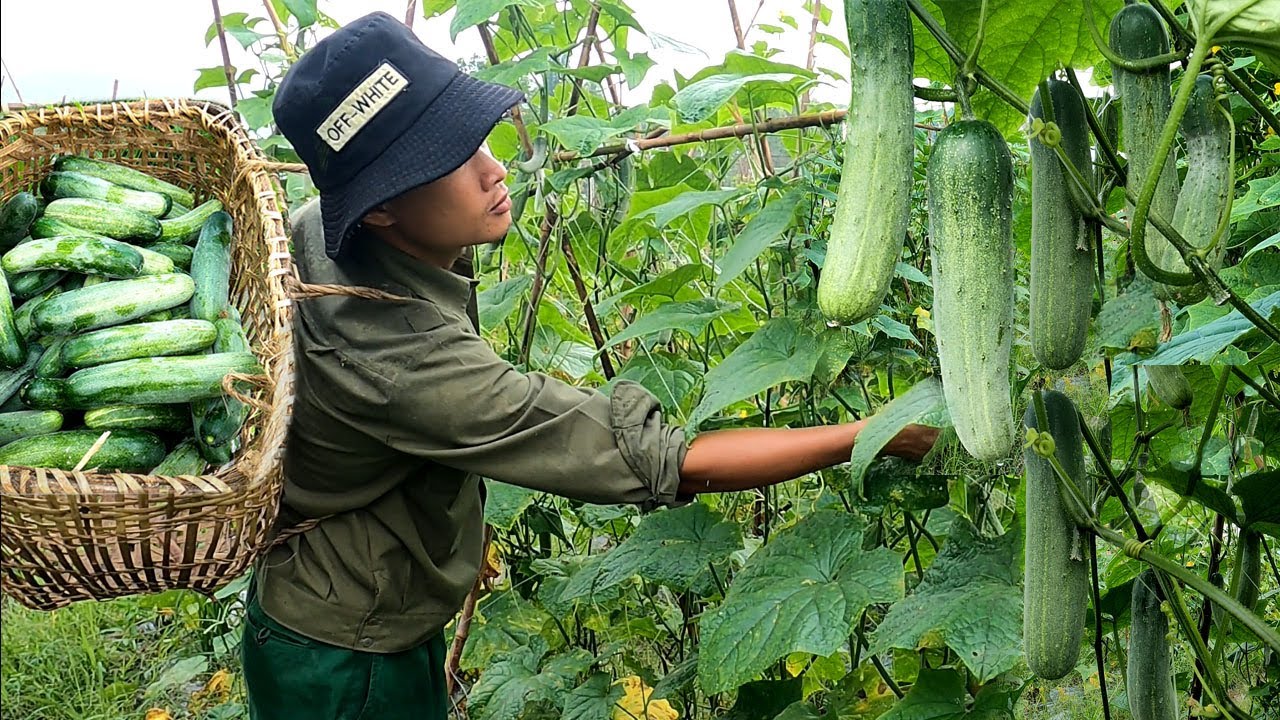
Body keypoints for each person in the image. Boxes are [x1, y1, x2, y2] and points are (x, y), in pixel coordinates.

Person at [246, 10, 939, 719]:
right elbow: (670, 461)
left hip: (349, 612)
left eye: (474, 139)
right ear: (380, 212)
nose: (493, 169)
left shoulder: (317, 235)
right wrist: (870, 433)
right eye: (447, 162)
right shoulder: (409, 365)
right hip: (343, 662)